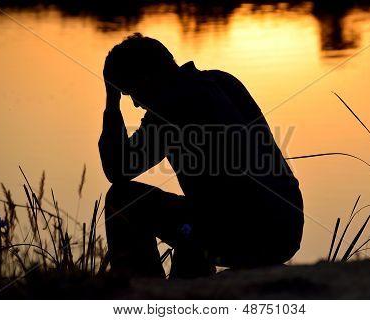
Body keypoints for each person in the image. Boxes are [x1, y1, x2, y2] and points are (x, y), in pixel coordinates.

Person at [99, 33, 304, 278]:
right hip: (286, 229)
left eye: (131, 91)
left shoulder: (169, 106)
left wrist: (112, 103)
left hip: (240, 232)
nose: (134, 104)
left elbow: (117, 170)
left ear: (146, 78)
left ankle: (145, 294)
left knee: (121, 199)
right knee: (200, 220)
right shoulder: (223, 81)